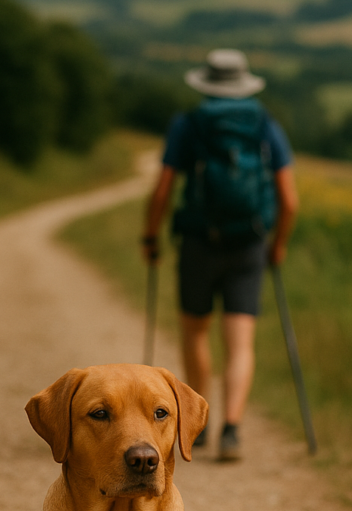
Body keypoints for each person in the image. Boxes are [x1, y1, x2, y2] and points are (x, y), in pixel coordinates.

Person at [142, 49, 299, 460]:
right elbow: (290, 199)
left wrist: (150, 237)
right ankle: (232, 429)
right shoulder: (264, 123)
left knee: (195, 331)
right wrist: (277, 245)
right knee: (240, 341)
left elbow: (163, 189)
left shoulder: (189, 124)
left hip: (198, 241)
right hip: (249, 242)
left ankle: (202, 423)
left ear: (205, 83)